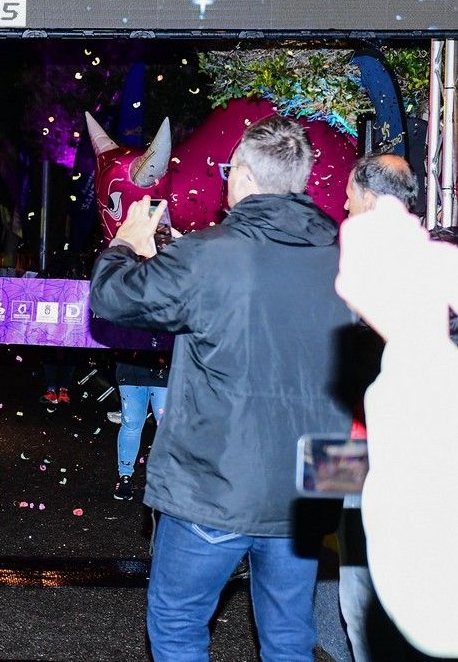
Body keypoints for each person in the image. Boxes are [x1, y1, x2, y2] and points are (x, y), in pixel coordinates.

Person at [89, 116, 353, 660]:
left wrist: (125, 243)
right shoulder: (347, 260)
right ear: (302, 180)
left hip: (214, 483)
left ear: (243, 177)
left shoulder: (209, 254)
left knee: (179, 624)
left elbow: (113, 299)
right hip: (312, 488)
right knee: (290, 636)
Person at [334, 196, 458, 658]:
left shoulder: (416, 351)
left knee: (362, 591)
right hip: (362, 461)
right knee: (356, 585)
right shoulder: (379, 339)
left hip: (382, 467)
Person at [337, 153, 421, 662]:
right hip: (396, 448)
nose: (344, 206)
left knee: (362, 591)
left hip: (368, 450)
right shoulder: (439, 256)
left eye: (349, 197)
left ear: (369, 199)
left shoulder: (359, 268)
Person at [111, 354, 169, 502]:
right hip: (130, 368)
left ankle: (170, 480)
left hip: (163, 368)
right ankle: (125, 477)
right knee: (131, 424)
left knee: (166, 427)